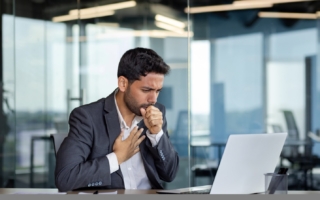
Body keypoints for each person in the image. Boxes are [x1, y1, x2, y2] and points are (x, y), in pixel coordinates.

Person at [55, 47, 179, 192]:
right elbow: (65, 179)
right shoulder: (87, 117)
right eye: (146, 90)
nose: (153, 99)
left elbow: (169, 174)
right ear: (123, 84)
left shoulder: (157, 113)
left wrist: (157, 135)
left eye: (158, 91)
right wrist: (117, 157)